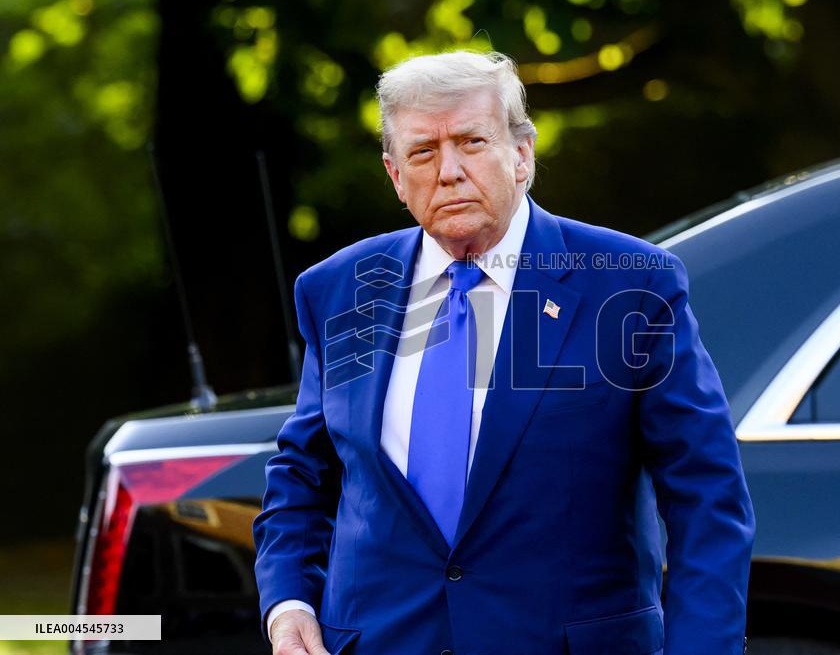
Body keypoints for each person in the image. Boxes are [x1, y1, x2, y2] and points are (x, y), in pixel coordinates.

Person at [252, 50, 755, 655]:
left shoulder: (629, 284)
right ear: (393, 174)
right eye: (423, 151)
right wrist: (288, 605)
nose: (449, 171)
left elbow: (707, 498)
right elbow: (304, 475)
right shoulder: (340, 290)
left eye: (471, 141)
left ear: (522, 154)